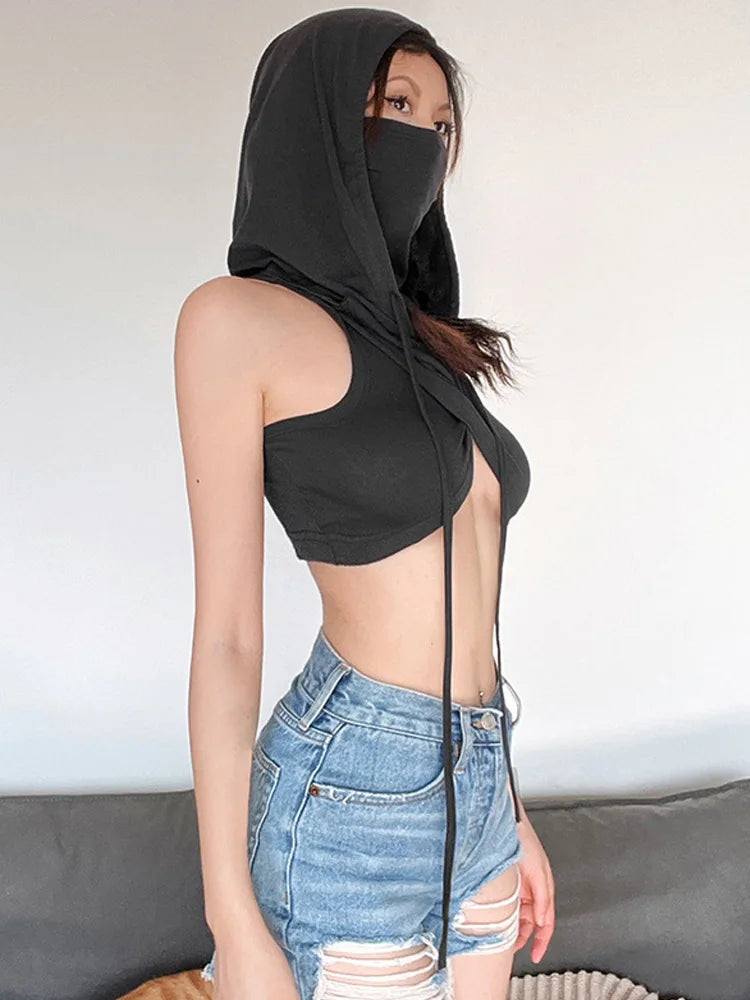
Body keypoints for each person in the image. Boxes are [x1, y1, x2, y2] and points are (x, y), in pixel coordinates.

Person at [174, 8, 555, 999]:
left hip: (480, 779)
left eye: (441, 124)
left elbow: (472, 606)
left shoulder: (426, 349)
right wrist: (231, 916)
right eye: (396, 105)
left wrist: (508, 809)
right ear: (317, 119)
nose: (424, 141)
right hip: (353, 785)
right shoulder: (235, 322)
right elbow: (227, 638)